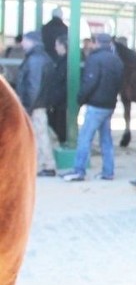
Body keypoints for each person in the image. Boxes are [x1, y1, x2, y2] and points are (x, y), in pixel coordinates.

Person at [62, 33, 124, 182]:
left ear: (96, 43)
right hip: (109, 105)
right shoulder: (117, 60)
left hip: (96, 106)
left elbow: (90, 82)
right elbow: (119, 83)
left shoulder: (95, 59)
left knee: (84, 138)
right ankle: (108, 172)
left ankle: (79, 170)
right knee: (106, 140)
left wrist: (80, 99)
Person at [14, 30, 58, 177]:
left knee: (40, 135)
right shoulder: (39, 57)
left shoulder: (35, 60)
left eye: (25, 40)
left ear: (32, 41)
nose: (22, 43)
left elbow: (34, 86)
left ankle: (47, 165)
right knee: (39, 134)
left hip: (34, 106)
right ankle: (41, 165)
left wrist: (27, 107)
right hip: (38, 104)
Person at [46, 34, 69, 144]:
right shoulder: (62, 61)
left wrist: (53, 101)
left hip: (61, 104)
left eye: (57, 45)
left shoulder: (65, 63)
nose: (55, 48)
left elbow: (63, 85)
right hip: (60, 102)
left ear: (63, 46)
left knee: (61, 129)